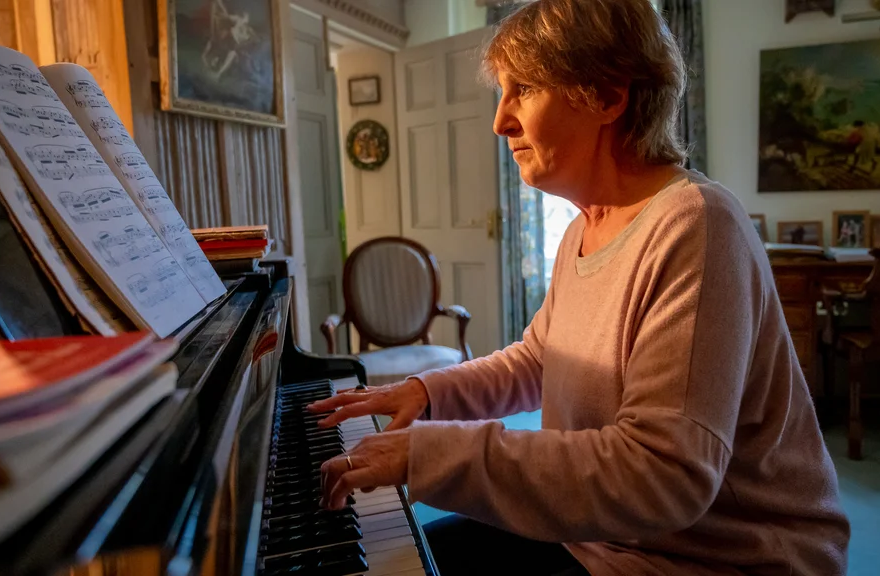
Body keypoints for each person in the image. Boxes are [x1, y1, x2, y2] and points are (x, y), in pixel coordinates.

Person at [309, 1, 850, 574]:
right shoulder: (582, 230)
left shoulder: (698, 225)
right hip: (598, 537)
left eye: (525, 89)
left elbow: (664, 476)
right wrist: (428, 393)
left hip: (716, 559)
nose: (501, 120)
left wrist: (430, 453)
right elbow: (540, 359)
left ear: (610, 96)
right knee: (393, 560)